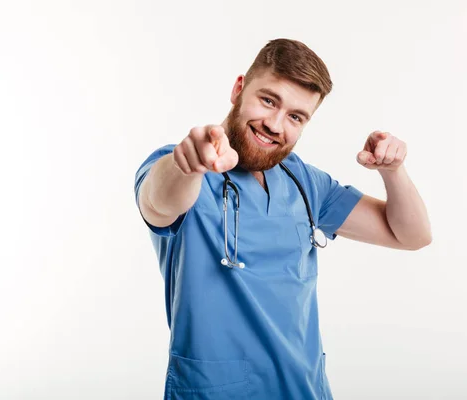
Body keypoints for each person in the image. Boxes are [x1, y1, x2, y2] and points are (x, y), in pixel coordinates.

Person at [134, 38, 432, 400]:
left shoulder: (303, 181)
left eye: (295, 117)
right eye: (268, 100)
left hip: (304, 388)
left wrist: (394, 171)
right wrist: (189, 165)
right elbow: (158, 202)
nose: (276, 124)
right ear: (239, 88)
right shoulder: (182, 166)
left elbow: (411, 236)